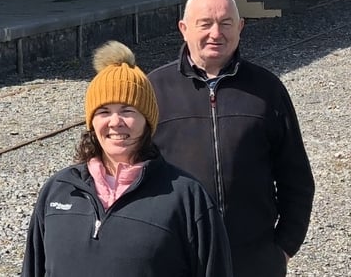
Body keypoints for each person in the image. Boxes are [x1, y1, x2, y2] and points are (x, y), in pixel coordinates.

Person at [22, 41, 232, 277]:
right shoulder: (58, 191)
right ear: (91, 122)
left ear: (147, 121)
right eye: (104, 111)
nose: (115, 122)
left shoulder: (187, 197)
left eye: (127, 111)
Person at [149, 0, 314, 277]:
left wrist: (284, 247)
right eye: (205, 24)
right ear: (184, 29)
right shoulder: (154, 90)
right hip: (175, 257)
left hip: (253, 258)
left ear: (240, 28)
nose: (216, 33)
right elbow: (131, 173)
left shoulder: (267, 89)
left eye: (226, 23)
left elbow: (296, 176)